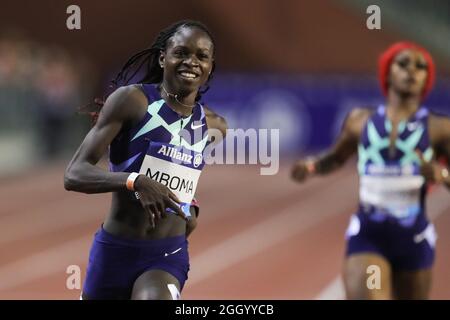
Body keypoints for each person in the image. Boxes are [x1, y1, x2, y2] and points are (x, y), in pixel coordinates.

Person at [64, 20, 227, 300]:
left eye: (201, 56)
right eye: (181, 52)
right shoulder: (132, 101)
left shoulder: (214, 126)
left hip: (166, 254)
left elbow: (183, 175)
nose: (191, 62)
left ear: (211, 65)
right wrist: (135, 181)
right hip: (114, 250)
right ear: (163, 57)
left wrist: (189, 206)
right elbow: (75, 174)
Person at [291, 41, 450, 299]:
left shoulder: (439, 128)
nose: (411, 70)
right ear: (387, 72)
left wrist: (442, 175)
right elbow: (336, 157)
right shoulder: (359, 121)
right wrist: (310, 167)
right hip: (369, 235)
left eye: (420, 67)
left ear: (427, 80)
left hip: (414, 238)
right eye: (403, 64)